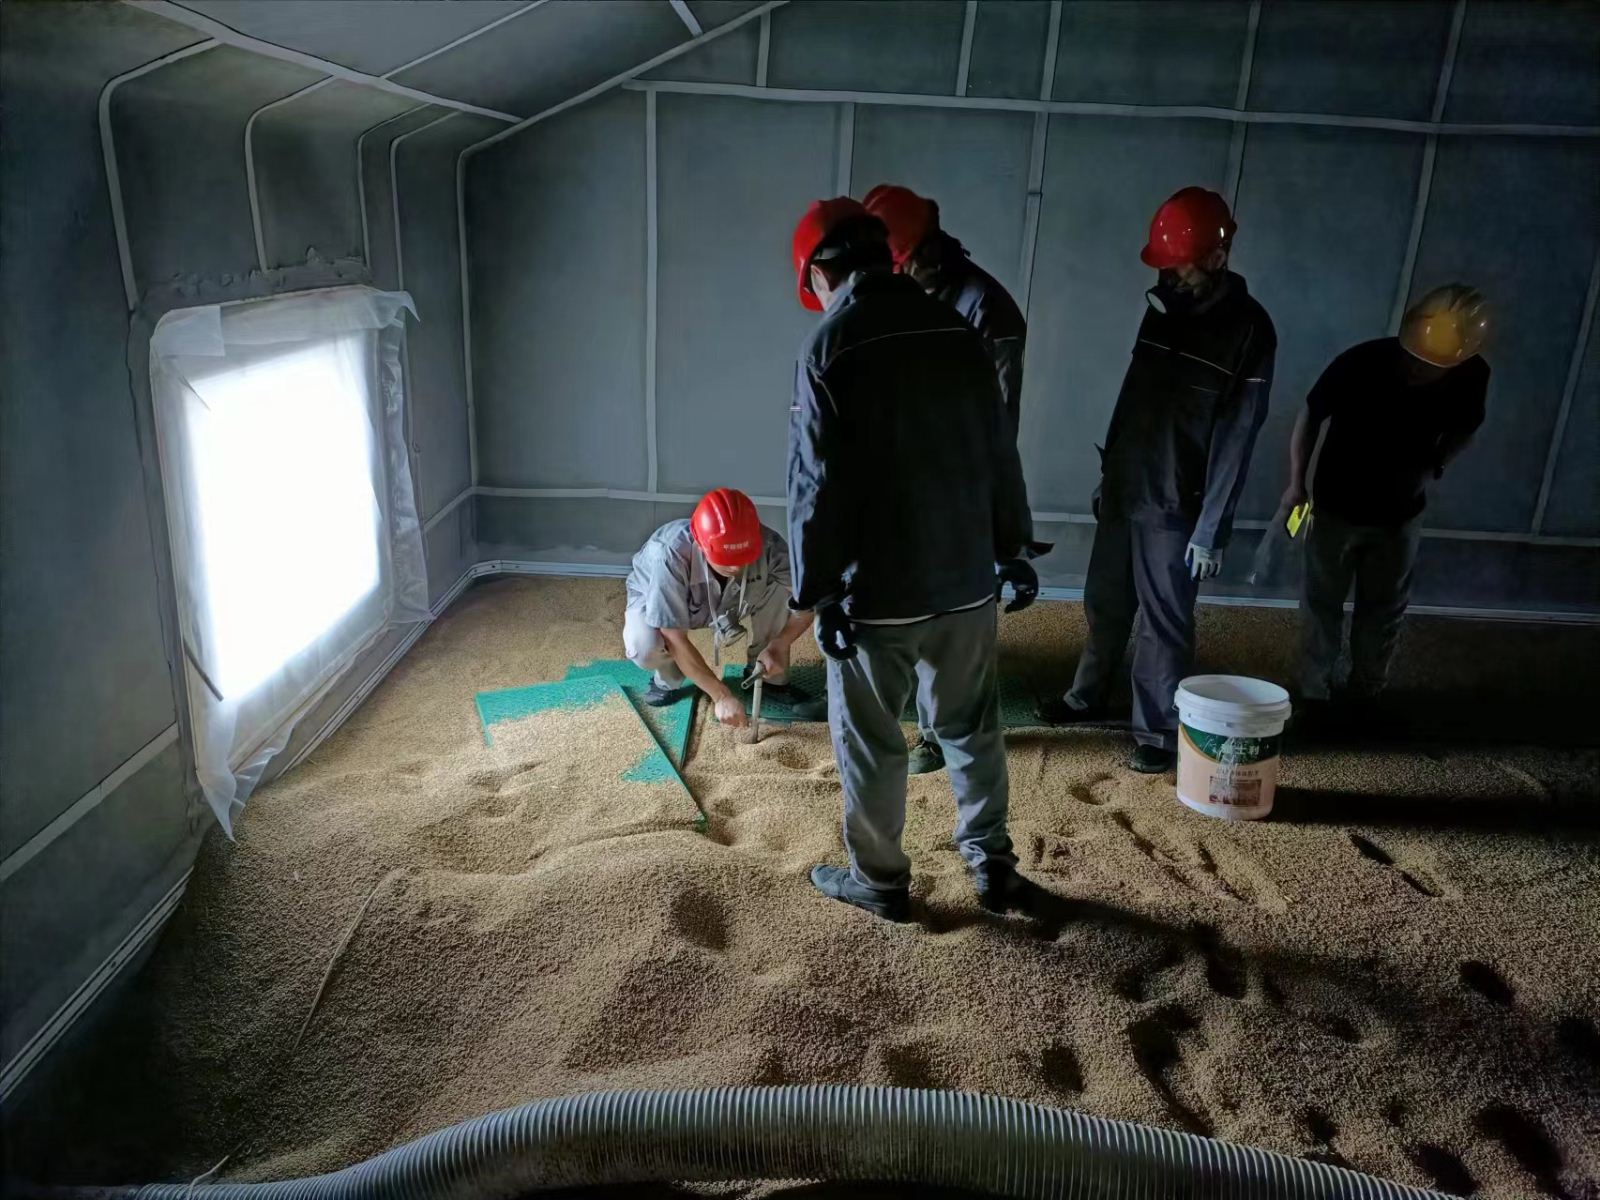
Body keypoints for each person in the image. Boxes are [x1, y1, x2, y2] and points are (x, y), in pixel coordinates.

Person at [786, 196, 1039, 923]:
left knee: (872, 740)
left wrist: (818, 592)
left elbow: (815, 484)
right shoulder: (958, 330)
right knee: (971, 725)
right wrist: (1012, 547)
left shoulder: (829, 347)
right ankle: (992, 865)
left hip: (879, 592)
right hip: (965, 579)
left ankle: (880, 881)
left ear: (821, 274)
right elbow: (999, 450)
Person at [1037, 186, 1276, 773]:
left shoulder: (1249, 329)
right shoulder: (1163, 307)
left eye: (1182, 263)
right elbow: (1132, 396)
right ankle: (1086, 697)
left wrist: (1211, 529)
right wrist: (1110, 470)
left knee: (1163, 621)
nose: (1171, 274)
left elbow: (1239, 436)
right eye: (1165, 264)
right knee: (1104, 601)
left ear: (1219, 255)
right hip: (1128, 485)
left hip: (1177, 501)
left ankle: (1158, 732)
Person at [863, 182, 1039, 778]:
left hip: (960, 487)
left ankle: (948, 734)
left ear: (921, 251)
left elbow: (998, 431)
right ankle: (924, 721)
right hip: (907, 481)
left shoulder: (987, 311)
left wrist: (1002, 531)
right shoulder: (905, 295)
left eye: (897, 265)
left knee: (956, 620)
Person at [1284, 284, 1490, 714]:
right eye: (1413, 358)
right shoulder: (1362, 361)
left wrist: (1438, 462)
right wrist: (1296, 483)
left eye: (1430, 366)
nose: (1417, 369)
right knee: (1322, 604)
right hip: (1336, 506)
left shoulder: (1471, 376)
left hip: (1400, 513)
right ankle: (1313, 692)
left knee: (1382, 610)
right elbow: (1310, 413)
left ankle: (1366, 692)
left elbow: (1467, 427)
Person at [623, 487, 824, 726]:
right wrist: (720, 695)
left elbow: (808, 603)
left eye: (743, 557)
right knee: (644, 646)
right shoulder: (667, 555)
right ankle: (669, 676)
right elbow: (673, 636)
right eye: (726, 560)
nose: (736, 568)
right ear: (701, 544)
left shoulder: (769, 544)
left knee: (784, 586)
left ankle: (765, 673)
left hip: (736, 598)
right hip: (666, 599)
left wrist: (780, 644)